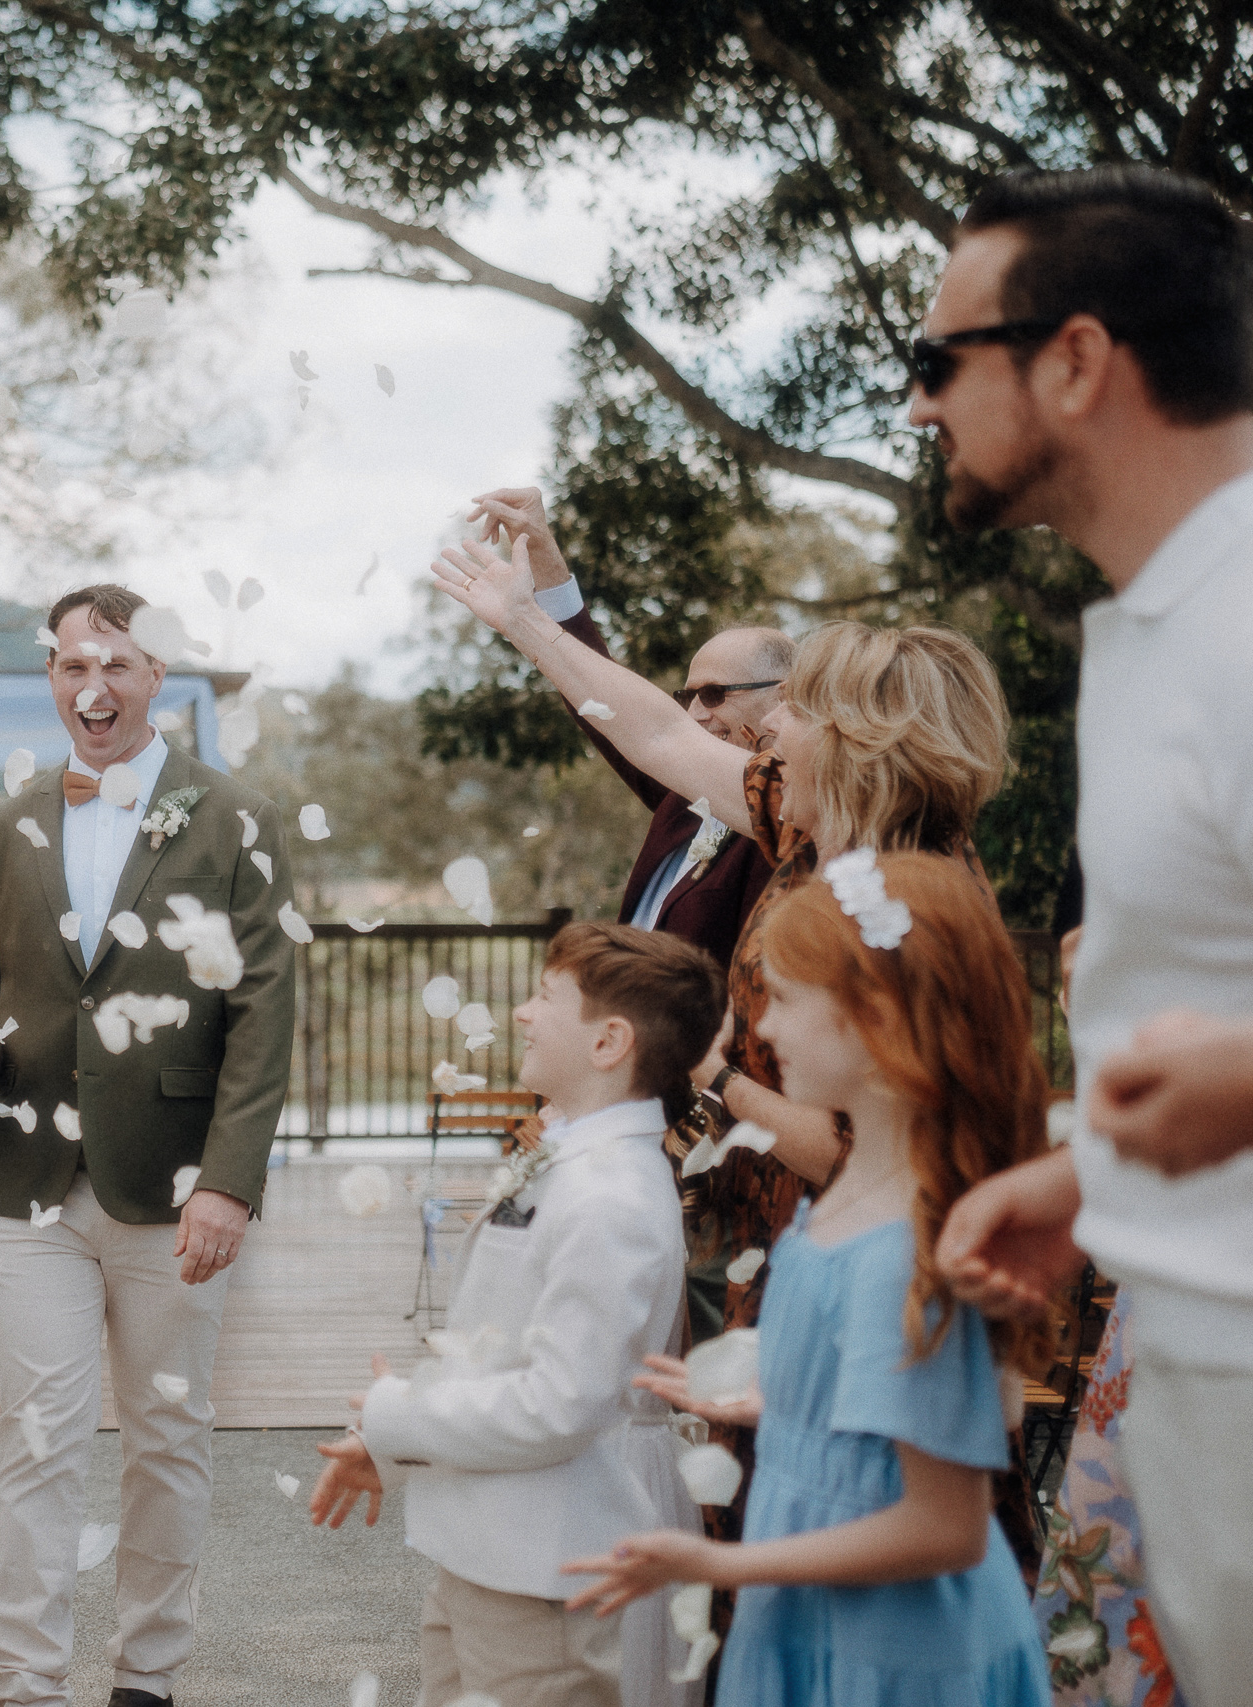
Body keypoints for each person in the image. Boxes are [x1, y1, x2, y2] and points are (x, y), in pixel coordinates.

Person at [429, 536, 1021, 1570]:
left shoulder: (905, 904)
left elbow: (861, 1150)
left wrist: (711, 1068)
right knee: (758, 1516)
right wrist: (522, 620)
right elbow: (653, 730)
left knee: (842, 1527)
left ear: (858, 739)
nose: (767, 727)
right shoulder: (803, 827)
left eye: (792, 712)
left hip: (866, 1267)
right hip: (775, 1244)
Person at [917, 165, 1253, 1707]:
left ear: (1074, 358)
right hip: (1189, 1354)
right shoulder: (1154, 626)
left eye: (939, 361)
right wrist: (1090, 1175)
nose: (921, 406)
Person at [0, 583, 297, 1707]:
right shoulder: (7, 821)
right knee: (36, 1441)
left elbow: (264, 1011)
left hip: (176, 1185)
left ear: (155, 677)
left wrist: (227, 1183)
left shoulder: (233, 816)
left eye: (117, 665)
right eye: (71, 665)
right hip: (25, 1184)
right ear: (51, 676)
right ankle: (27, 1682)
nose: (92, 687)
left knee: (168, 1438)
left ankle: (147, 1676)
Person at [564, 852, 1052, 1706]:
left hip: (891, 1658)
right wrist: (786, 1398)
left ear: (879, 1021)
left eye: (783, 1000)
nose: (763, 1029)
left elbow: (945, 1525)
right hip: (815, 1624)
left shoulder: (909, 1239)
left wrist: (720, 1562)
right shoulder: (853, 1194)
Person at [310, 922, 723, 1707]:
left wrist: (402, 1414)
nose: (524, 1013)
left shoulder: (615, 1197)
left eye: (545, 995)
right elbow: (495, 1346)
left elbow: (560, 1402)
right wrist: (388, 1442)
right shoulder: (571, 1158)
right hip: (481, 1551)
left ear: (609, 1040)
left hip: (543, 1573)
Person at [466, 487, 784, 974]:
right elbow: (601, 703)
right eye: (687, 697)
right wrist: (544, 556)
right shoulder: (682, 796)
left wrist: (524, 622)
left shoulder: (793, 821)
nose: (696, 714)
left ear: (785, 696)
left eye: (716, 694)